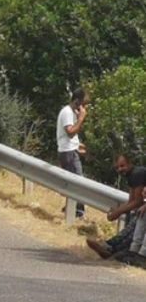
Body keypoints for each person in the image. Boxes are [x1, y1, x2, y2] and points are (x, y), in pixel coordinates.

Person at [87, 154, 146, 259]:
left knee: (136, 222)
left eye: (122, 166)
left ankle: (111, 247)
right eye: (117, 167)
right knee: (133, 223)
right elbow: (131, 201)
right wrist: (117, 211)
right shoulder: (131, 176)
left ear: (129, 163)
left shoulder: (137, 174)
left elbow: (137, 201)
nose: (120, 169)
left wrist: (117, 212)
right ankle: (111, 247)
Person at [56, 88, 88, 218]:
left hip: (69, 150)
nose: (85, 107)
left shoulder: (70, 112)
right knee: (77, 182)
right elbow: (69, 132)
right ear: (77, 101)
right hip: (68, 152)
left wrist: (78, 145)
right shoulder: (67, 112)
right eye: (84, 104)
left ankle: (71, 207)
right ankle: (77, 211)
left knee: (73, 181)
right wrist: (81, 119)